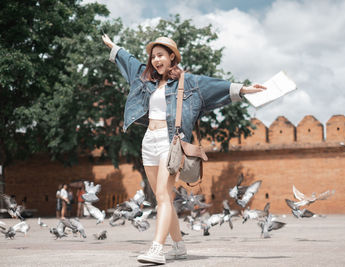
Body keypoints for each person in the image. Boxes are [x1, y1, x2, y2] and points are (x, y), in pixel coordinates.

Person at [102, 34, 266, 265]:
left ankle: (157, 248)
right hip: (148, 140)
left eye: (161, 55)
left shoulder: (188, 82)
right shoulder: (145, 79)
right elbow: (128, 60)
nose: (156, 60)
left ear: (171, 57)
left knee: (162, 196)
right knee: (163, 197)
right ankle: (179, 247)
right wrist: (113, 46)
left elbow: (217, 86)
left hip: (171, 142)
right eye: (153, 56)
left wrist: (245, 90)